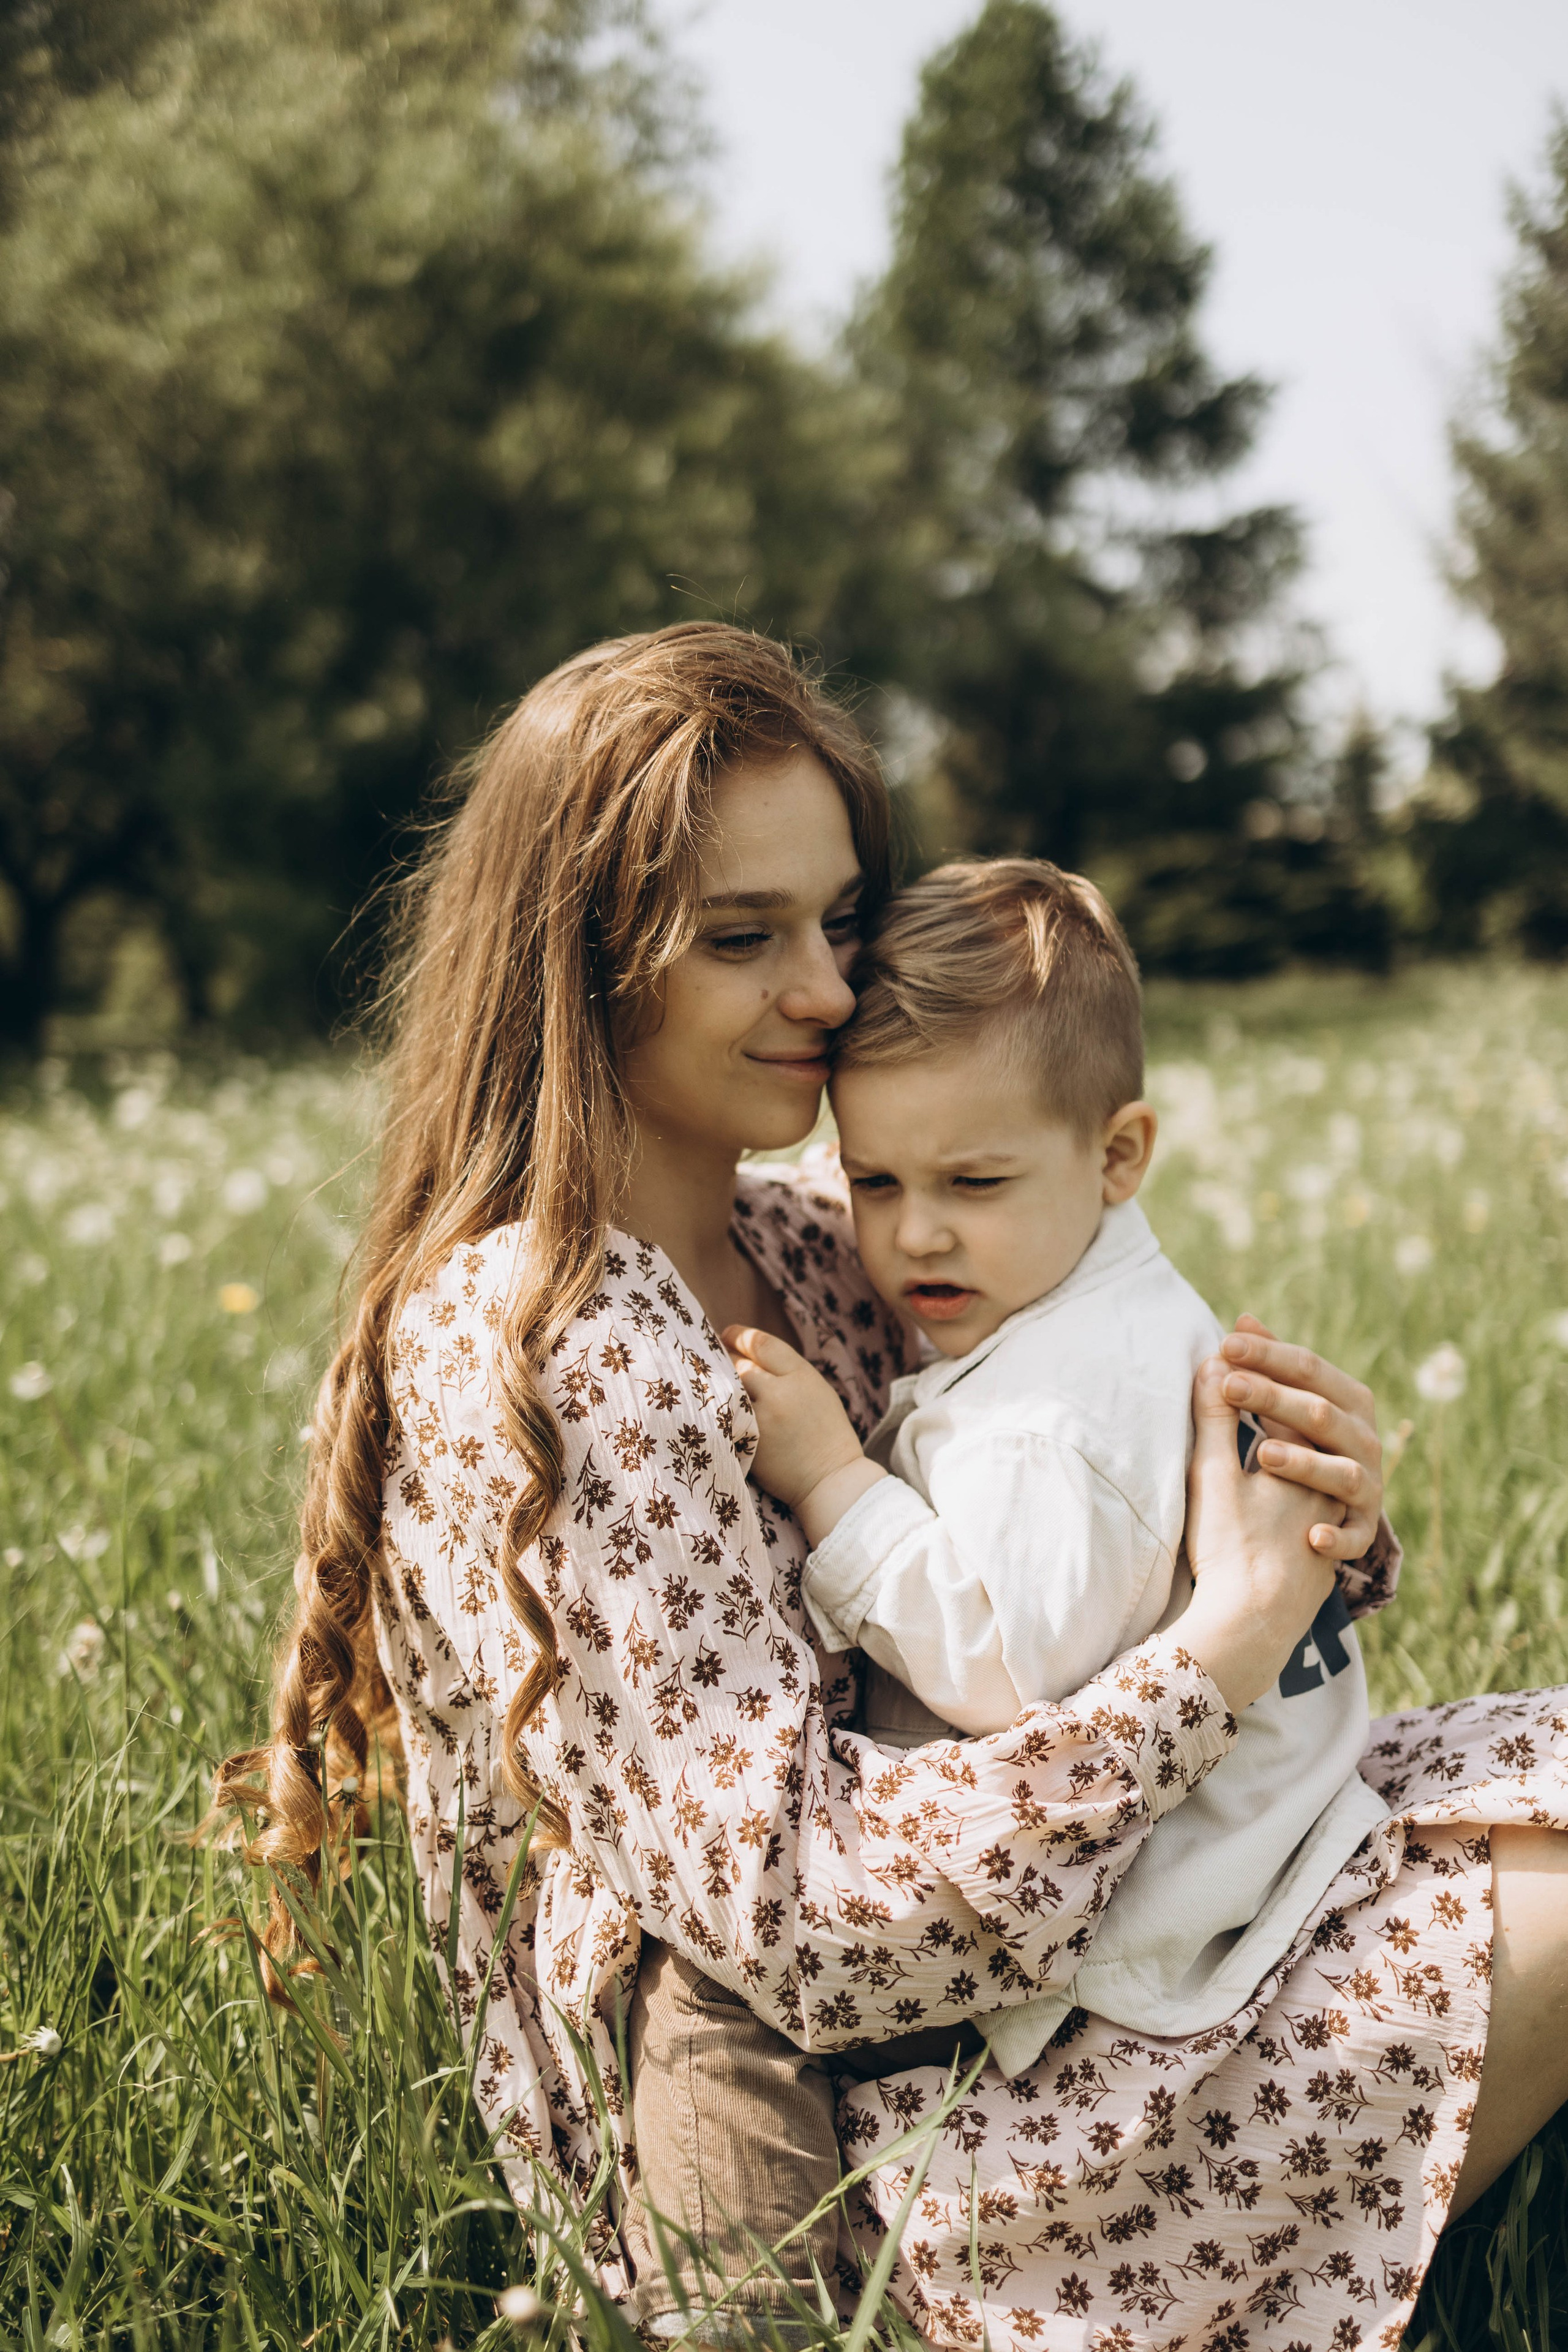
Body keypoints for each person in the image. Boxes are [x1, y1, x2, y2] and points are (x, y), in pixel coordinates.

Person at [216, 622, 1568, 2352]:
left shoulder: (825, 1241)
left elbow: (1066, 1522)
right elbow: (795, 1927)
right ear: (582, 961)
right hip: (842, 2130)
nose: (829, 991)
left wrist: (1307, 1508)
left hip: (1057, 1924)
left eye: (840, 920)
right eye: (743, 937)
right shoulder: (549, 1340)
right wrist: (1228, 1645)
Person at [723, 856, 1390, 2090]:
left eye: (973, 1182)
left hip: (1179, 1920)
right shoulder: (1076, 1285)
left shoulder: (1053, 1420)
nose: (916, 1231)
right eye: (873, 1180)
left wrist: (826, 1477)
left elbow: (1001, 1665)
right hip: (1271, 1811)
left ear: (1118, 1153)